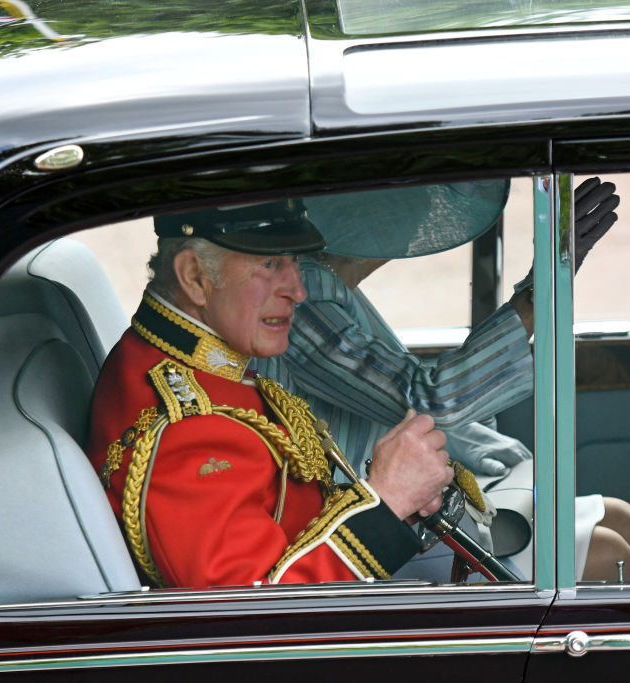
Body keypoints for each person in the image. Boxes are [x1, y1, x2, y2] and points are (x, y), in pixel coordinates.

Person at [252, 178, 630, 582]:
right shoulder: (306, 299)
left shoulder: (331, 290)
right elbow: (431, 400)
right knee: (608, 552)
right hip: (364, 531)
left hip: (407, 506)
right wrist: (535, 294)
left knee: (622, 518)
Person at [86, 200, 455, 589]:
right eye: (269, 264)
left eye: (294, 259)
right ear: (194, 277)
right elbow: (255, 618)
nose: (297, 290)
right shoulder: (188, 431)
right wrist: (388, 501)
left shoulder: (183, 362)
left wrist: (393, 503)